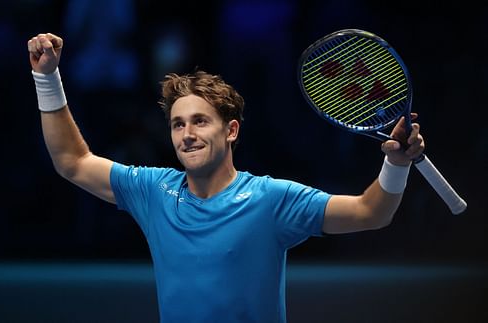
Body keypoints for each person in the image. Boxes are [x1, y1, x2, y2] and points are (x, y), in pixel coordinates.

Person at [28, 33, 424, 323]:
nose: (187, 134)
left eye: (200, 121)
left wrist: (397, 165)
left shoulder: (272, 199)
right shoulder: (152, 190)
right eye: (178, 124)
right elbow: (72, 161)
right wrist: (47, 78)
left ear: (231, 130)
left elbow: (371, 212)